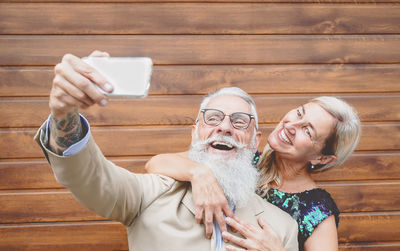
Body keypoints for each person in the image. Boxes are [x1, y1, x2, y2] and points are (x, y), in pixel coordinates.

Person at [33, 51, 299, 251]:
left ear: (255, 141)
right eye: (213, 118)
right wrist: (63, 114)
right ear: (195, 133)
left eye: (239, 121)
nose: (225, 128)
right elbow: (90, 178)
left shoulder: (282, 227)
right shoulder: (150, 195)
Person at [146, 95, 361, 251]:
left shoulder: (317, 211)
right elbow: (156, 164)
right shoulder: (242, 159)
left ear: (321, 158)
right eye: (299, 112)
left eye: (307, 130)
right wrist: (198, 173)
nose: (291, 125)